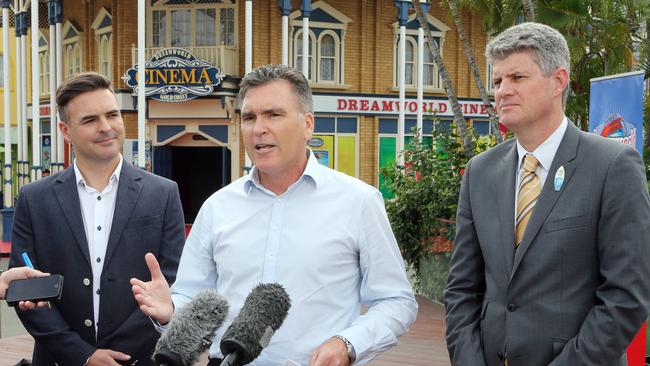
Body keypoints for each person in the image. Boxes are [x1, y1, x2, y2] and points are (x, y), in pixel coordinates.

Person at [131, 64, 417, 366]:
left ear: (308, 124)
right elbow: (193, 297)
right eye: (249, 117)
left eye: (274, 115)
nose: (258, 128)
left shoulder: (359, 201)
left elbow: (395, 302)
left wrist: (347, 344)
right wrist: (171, 310)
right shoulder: (217, 206)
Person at [444, 22, 650, 366]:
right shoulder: (480, 172)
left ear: (558, 81)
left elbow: (626, 297)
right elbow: (462, 290)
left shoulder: (612, 165)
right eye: (498, 81)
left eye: (517, 78)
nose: (502, 91)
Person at [10, 72, 186, 366]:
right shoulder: (34, 198)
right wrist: (83, 356)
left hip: (140, 359)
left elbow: (173, 280)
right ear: (65, 130)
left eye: (112, 114)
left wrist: (119, 355)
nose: (106, 127)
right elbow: (25, 290)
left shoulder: (164, 193)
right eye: (90, 120)